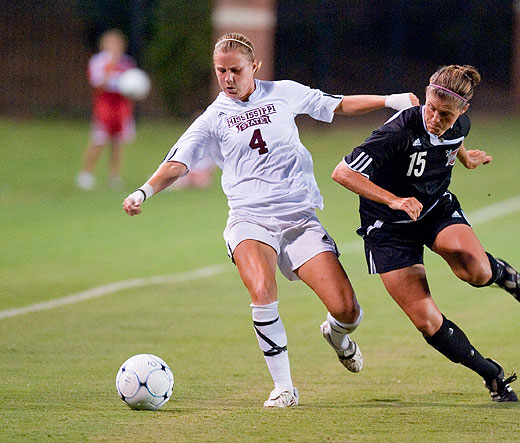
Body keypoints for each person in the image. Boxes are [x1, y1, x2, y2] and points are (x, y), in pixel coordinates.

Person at [122, 32, 419, 408]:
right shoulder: (213, 118)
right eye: (220, 71)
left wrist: (390, 101)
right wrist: (143, 192)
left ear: (254, 67)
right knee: (262, 292)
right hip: (249, 219)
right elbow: (178, 162)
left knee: (347, 309)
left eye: (235, 70)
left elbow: (338, 104)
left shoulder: (283, 92)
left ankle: (339, 337)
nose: (228, 78)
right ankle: (284, 388)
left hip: (298, 219)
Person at [332, 64, 520, 402]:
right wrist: (394, 200)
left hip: (433, 210)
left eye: (445, 113)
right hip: (387, 228)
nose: (435, 118)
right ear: (425, 97)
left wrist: (466, 158)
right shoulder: (399, 130)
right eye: (430, 107)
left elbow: (453, 139)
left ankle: (502, 274)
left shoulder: (460, 124)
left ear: (462, 111)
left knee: (476, 271)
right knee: (427, 321)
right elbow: (342, 173)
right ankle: (492, 375)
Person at [77, 29, 137, 190]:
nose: (115, 47)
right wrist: (110, 67)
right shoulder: (98, 61)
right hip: (105, 103)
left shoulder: (127, 62)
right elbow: (98, 85)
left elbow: (133, 85)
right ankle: (86, 174)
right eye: (111, 44)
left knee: (118, 142)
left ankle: (114, 176)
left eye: (117, 44)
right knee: (99, 139)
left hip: (122, 104)